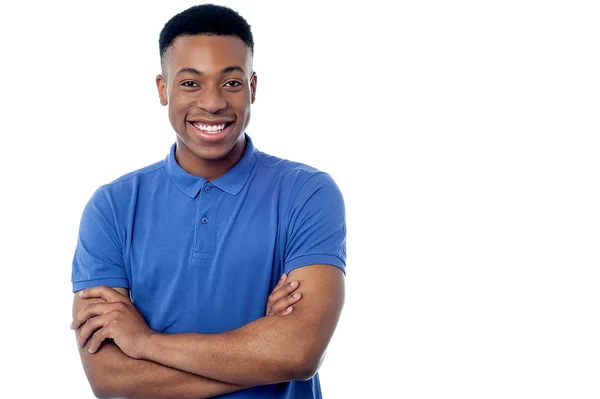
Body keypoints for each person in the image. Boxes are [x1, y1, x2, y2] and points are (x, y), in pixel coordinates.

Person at [70, 4, 346, 399]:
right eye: (190, 84)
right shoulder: (111, 207)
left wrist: (144, 342)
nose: (213, 103)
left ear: (252, 88)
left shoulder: (308, 193)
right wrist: (262, 353)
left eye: (231, 83)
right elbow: (111, 380)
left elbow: (299, 352)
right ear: (163, 89)